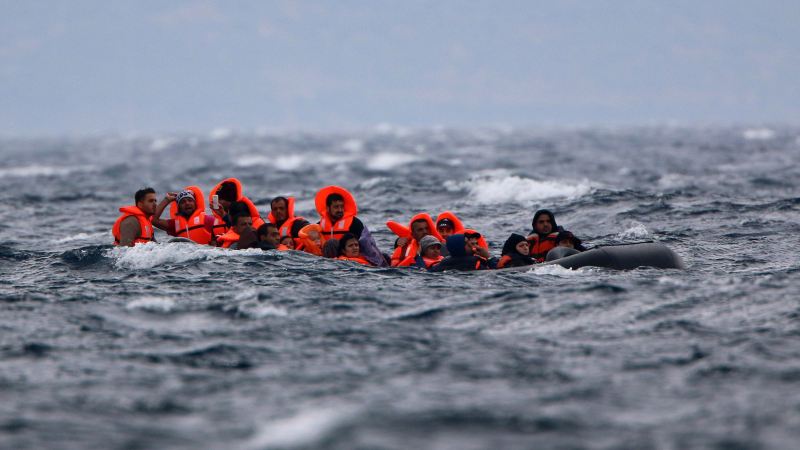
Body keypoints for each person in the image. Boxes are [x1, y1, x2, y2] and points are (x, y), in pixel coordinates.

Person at [314, 185, 386, 266]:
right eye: (336, 207)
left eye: (342, 206)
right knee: (331, 243)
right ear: (327, 208)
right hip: (325, 261)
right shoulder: (319, 226)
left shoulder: (355, 223)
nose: (340, 210)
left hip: (349, 262)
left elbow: (365, 245)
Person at [151, 187, 216, 245]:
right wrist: (166, 200)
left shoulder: (208, 220)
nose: (187, 203)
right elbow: (153, 220)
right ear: (179, 207)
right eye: (183, 202)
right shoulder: (175, 225)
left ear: (195, 204)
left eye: (190, 200)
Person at [429, 234, 496, 272]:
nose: (472, 246)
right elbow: (496, 269)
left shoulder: (440, 265)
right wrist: (488, 257)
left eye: (476, 243)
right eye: (467, 244)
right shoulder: (476, 263)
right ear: (460, 247)